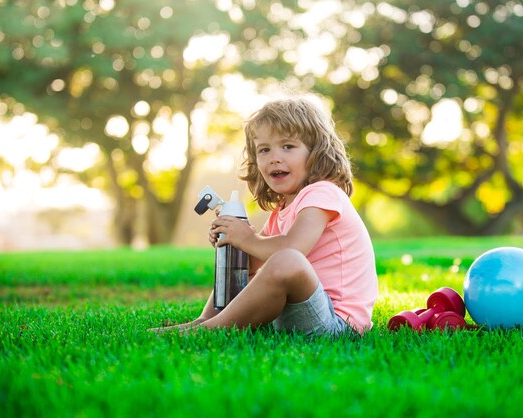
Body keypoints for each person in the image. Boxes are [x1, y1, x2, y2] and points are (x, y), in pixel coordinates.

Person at [151, 97, 378, 336]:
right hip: (300, 314)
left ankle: (211, 330)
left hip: (337, 323)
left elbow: (293, 249)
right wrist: (233, 242)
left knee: (288, 260)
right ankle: (204, 321)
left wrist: (248, 239)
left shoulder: (322, 193)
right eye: (264, 149)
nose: (274, 157)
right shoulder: (280, 211)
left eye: (288, 146)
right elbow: (251, 266)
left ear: (316, 153)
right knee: (245, 262)